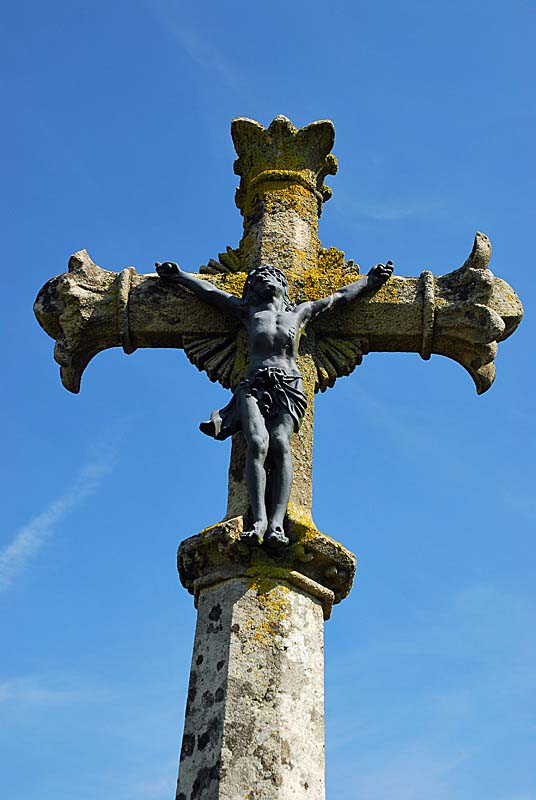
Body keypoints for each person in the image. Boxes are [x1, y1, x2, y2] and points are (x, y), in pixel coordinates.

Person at [155, 259, 393, 546]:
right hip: (253, 386)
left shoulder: (300, 313)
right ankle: (258, 520)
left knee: (280, 442)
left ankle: (277, 524)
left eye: (272, 276)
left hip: (288, 386)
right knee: (257, 442)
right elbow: (210, 293)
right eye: (259, 278)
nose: (266, 280)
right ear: (251, 289)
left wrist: (371, 281)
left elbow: (339, 297)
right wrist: (179, 276)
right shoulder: (247, 311)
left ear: (283, 286)